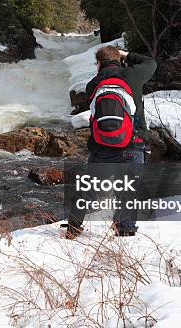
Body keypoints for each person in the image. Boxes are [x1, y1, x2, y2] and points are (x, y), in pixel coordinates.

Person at [66, 46, 157, 238]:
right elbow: (151, 63)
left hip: (101, 147)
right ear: (120, 60)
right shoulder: (133, 75)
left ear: (98, 64)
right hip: (132, 143)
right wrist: (126, 55)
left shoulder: (93, 84)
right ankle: (124, 229)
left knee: (89, 188)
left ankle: (73, 226)